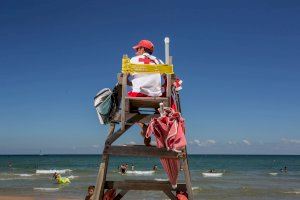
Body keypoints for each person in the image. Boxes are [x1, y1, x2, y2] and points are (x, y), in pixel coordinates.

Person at [129, 39, 164, 146]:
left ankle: (143, 126)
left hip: (139, 95)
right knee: (158, 110)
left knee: (129, 107)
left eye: (138, 49)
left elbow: (125, 76)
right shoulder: (160, 61)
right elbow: (167, 77)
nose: (136, 51)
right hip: (157, 96)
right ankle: (151, 125)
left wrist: (130, 83)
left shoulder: (134, 60)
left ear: (142, 49)